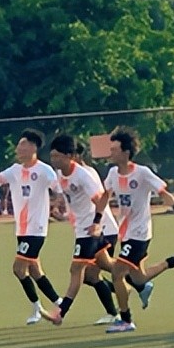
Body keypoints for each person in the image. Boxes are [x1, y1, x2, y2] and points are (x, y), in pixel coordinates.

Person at [0, 129, 63, 325]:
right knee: (35, 271)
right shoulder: (14, 170)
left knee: (18, 268)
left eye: (23, 144)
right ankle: (59, 303)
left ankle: (37, 308)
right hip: (22, 230)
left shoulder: (44, 170)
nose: (18, 148)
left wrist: (56, 208)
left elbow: (58, 191)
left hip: (36, 229)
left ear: (33, 147)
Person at [99, 126, 174, 333]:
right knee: (139, 279)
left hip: (139, 233)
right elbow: (105, 194)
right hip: (126, 233)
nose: (110, 153)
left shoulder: (142, 173)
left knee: (117, 274)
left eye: (114, 149)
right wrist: (97, 218)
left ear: (125, 152)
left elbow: (163, 192)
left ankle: (126, 319)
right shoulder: (113, 173)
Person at [43, 135, 122, 327]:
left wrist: (96, 223)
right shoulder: (61, 174)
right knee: (103, 269)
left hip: (92, 230)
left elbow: (100, 201)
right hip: (82, 229)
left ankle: (60, 313)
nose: (54, 160)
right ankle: (139, 282)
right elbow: (69, 198)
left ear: (71, 155)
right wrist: (57, 208)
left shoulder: (85, 175)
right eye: (52, 156)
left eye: (58, 156)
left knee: (76, 269)